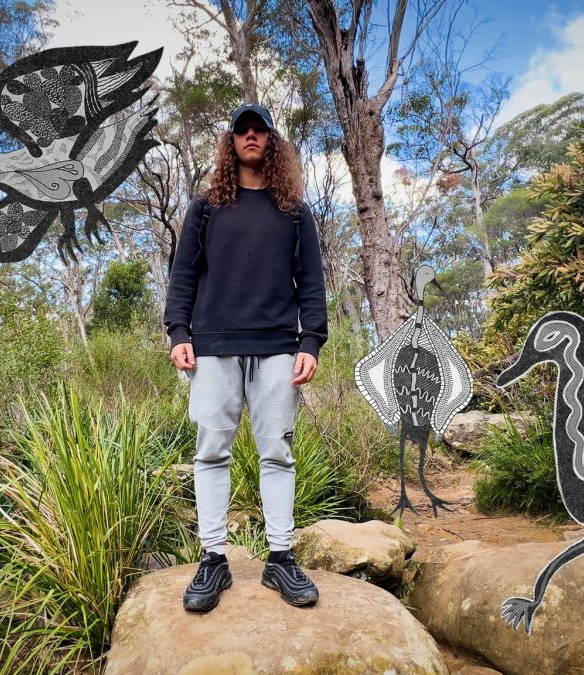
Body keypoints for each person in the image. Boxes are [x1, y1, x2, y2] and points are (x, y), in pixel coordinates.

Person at [163, 103, 328, 612]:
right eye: (242, 130)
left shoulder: (294, 211)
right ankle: (213, 561)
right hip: (213, 348)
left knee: (277, 454)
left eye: (259, 130)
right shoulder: (206, 207)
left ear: (271, 142)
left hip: (279, 349)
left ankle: (280, 558)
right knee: (211, 453)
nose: (251, 136)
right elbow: (183, 274)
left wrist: (311, 341)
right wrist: (178, 331)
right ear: (230, 141)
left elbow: (312, 283)